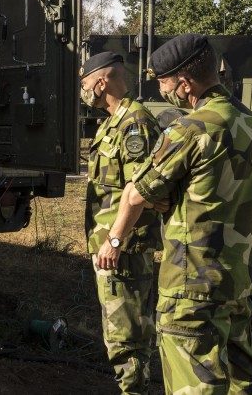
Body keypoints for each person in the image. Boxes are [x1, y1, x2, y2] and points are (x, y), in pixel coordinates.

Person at [99, 33, 252, 394]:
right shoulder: (251, 122)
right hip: (238, 278)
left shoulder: (190, 129)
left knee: (195, 384)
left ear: (185, 84)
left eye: (163, 81)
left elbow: (136, 192)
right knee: (242, 380)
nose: (161, 89)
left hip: (192, 282)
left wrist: (114, 238)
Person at [81, 52, 163, 394]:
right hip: (110, 247)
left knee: (126, 338)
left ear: (102, 82)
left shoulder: (135, 123)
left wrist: (114, 240)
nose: (83, 91)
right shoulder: (112, 122)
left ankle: (134, 390)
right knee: (121, 332)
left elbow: (139, 192)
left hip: (123, 249)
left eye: (84, 84)